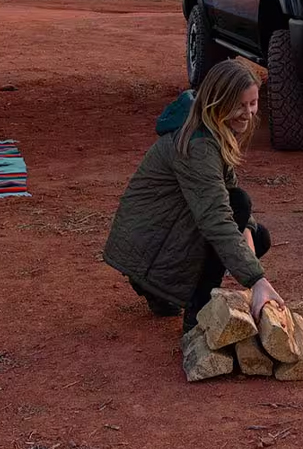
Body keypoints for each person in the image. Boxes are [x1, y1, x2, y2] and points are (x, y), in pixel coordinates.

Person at [103, 59, 284, 333]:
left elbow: (227, 187)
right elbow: (216, 218)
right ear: (218, 101)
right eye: (240, 105)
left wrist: (245, 228)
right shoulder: (197, 145)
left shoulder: (212, 128)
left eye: (253, 103)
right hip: (149, 249)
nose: (248, 113)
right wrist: (256, 280)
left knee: (257, 237)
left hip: (160, 239)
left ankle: (160, 292)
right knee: (236, 208)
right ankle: (196, 312)